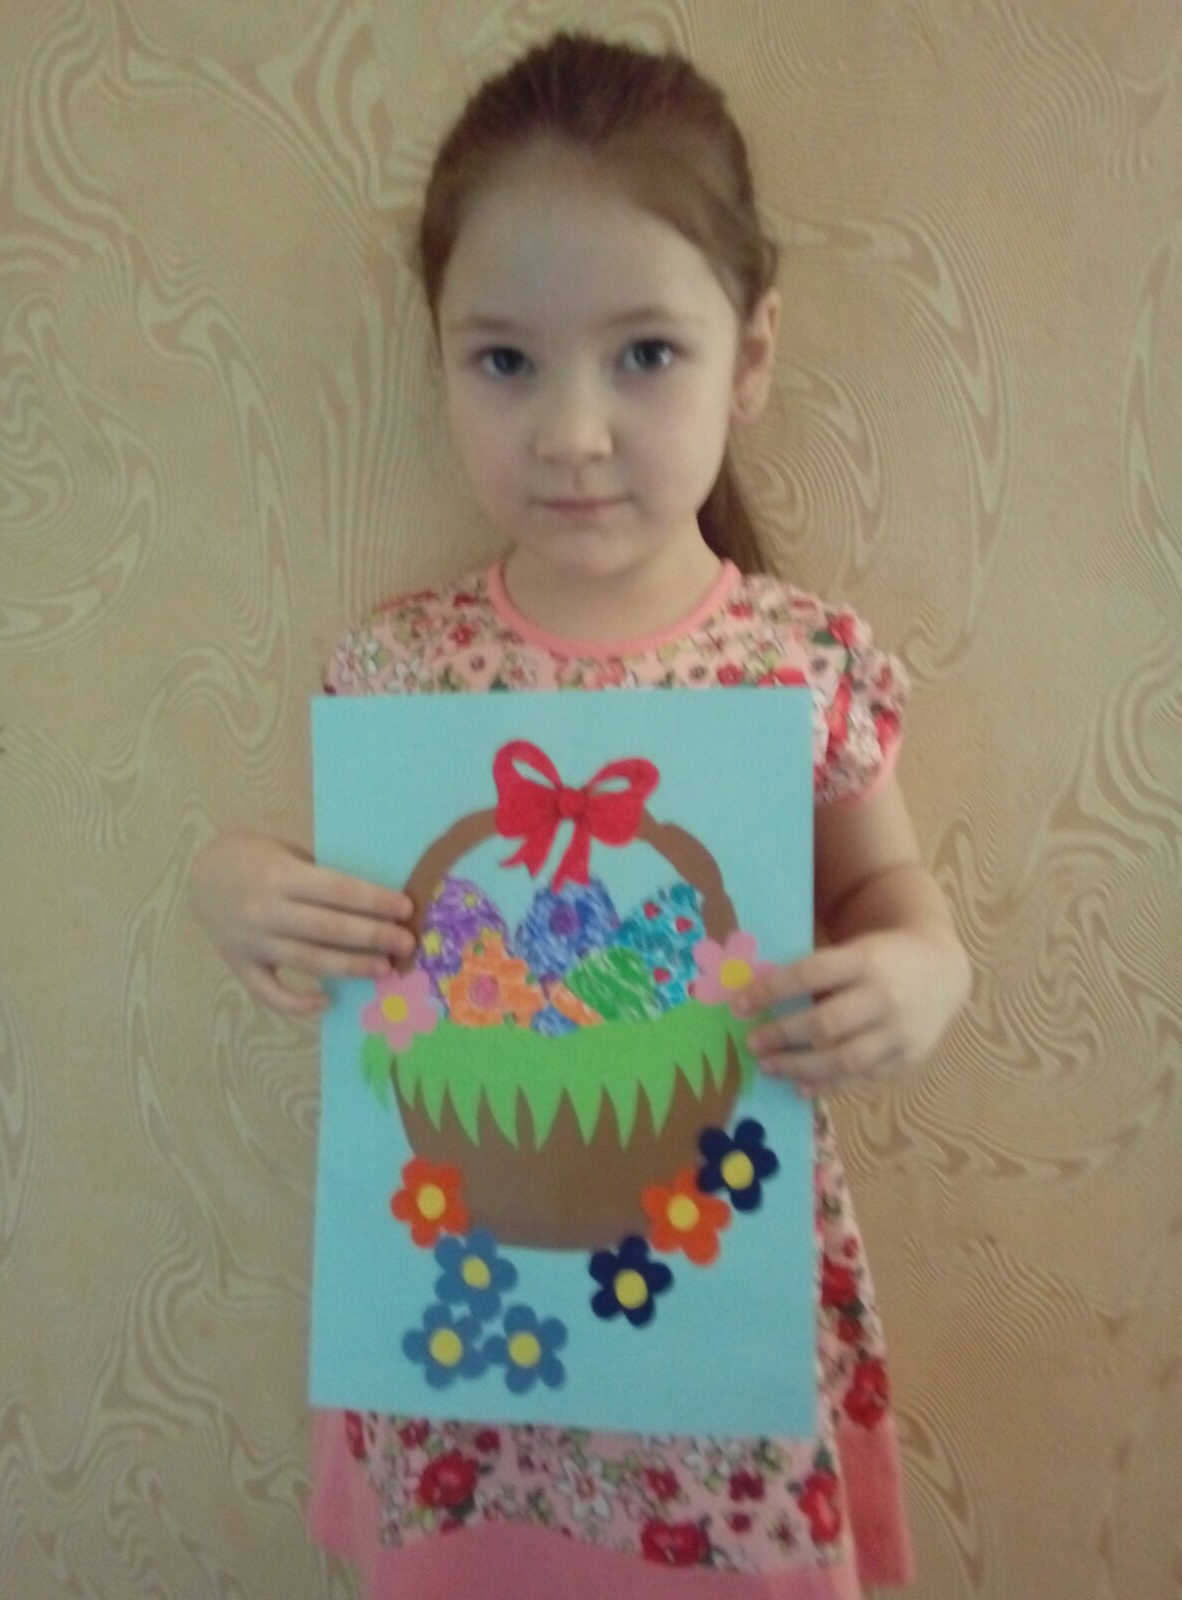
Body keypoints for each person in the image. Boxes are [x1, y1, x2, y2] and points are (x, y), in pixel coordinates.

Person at [188, 28, 970, 1600]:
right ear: (440, 358)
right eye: (504, 362)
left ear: (752, 353)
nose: (572, 431)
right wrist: (238, 885)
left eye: (646, 355)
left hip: (712, 1319)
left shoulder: (798, 662)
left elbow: (895, 896)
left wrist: (920, 975)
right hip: (465, 1333)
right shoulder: (402, 667)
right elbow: (345, 898)